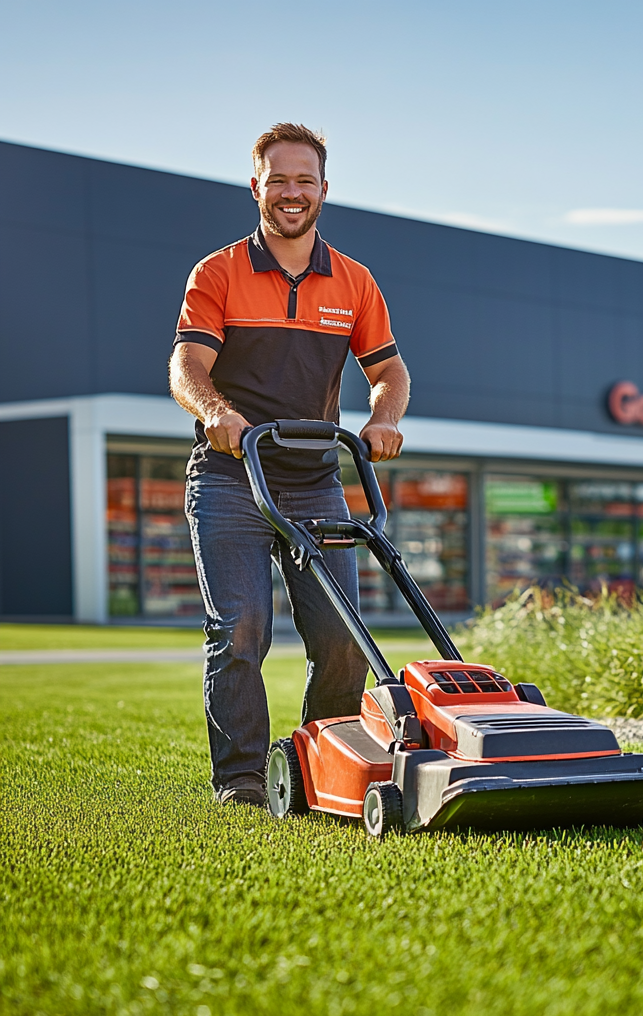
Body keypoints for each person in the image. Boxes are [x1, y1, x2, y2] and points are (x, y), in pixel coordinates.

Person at [169, 123, 410, 807]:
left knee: (340, 641)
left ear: (324, 190)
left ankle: (316, 768)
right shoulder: (218, 273)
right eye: (278, 180)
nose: (292, 192)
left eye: (305, 180)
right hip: (231, 476)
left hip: (314, 481)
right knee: (241, 629)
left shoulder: (354, 282)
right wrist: (215, 411)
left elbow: (390, 371)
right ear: (257, 188)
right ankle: (242, 781)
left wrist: (384, 417)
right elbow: (188, 365)